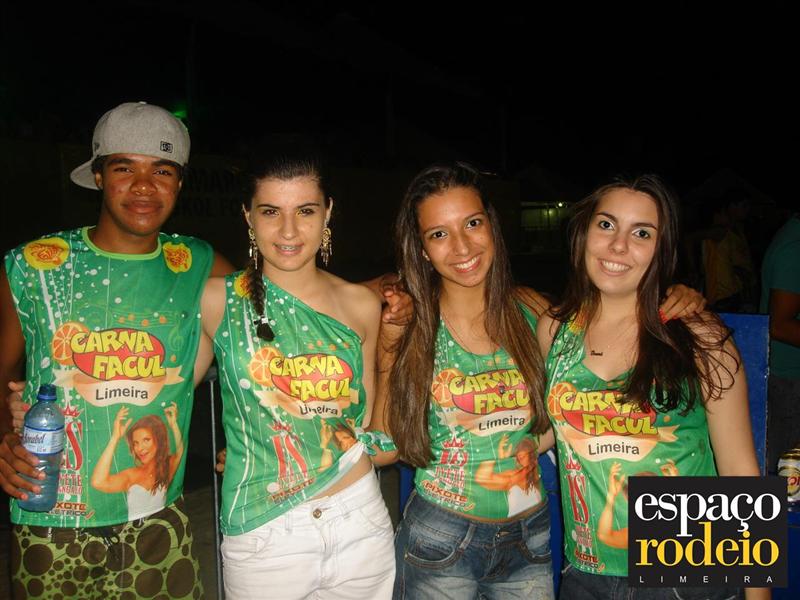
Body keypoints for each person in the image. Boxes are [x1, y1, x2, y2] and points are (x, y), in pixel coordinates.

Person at [0, 101, 234, 599]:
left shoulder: (196, 262)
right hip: (52, 520)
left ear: (179, 183)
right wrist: (3, 436)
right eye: (125, 168)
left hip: (159, 520)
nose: (144, 186)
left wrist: (377, 292)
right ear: (99, 176)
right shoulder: (32, 266)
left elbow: (281, 310)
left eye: (162, 171)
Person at [536, 174, 765, 599]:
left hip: (687, 565)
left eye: (642, 233)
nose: (618, 245)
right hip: (587, 569)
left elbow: (740, 473)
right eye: (607, 225)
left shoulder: (699, 337)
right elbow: (550, 426)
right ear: (584, 231)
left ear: (663, 249)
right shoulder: (555, 328)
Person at [196, 146, 395, 599]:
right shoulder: (216, 300)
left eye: (305, 211)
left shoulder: (362, 304)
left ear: (328, 213)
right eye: (271, 211)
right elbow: (166, 391)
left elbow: (363, 423)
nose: (288, 231)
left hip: (359, 517)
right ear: (248, 216)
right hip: (263, 530)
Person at [370, 162, 556, 599]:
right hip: (441, 537)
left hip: (531, 536)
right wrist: (389, 346)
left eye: (472, 223)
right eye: (439, 234)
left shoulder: (533, 311)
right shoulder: (408, 323)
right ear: (421, 249)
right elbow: (383, 448)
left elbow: (567, 411)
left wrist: (678, 305)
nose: (462, 246)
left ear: (492, 225)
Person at [91, 403, 183, 520]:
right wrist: (115, 438)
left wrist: (174, 425)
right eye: (136, 443)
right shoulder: (131, 475)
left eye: (146, 440)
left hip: (161, 527)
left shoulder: (166, 468)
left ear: (158, 440)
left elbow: (180, 451)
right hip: (135, 530)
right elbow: (98, 482)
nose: (140, 448)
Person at [760, 208, 800, 471]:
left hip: (788, 375)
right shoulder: (794, 249)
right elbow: (780, 325)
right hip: (788, 378)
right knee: (787, 469)